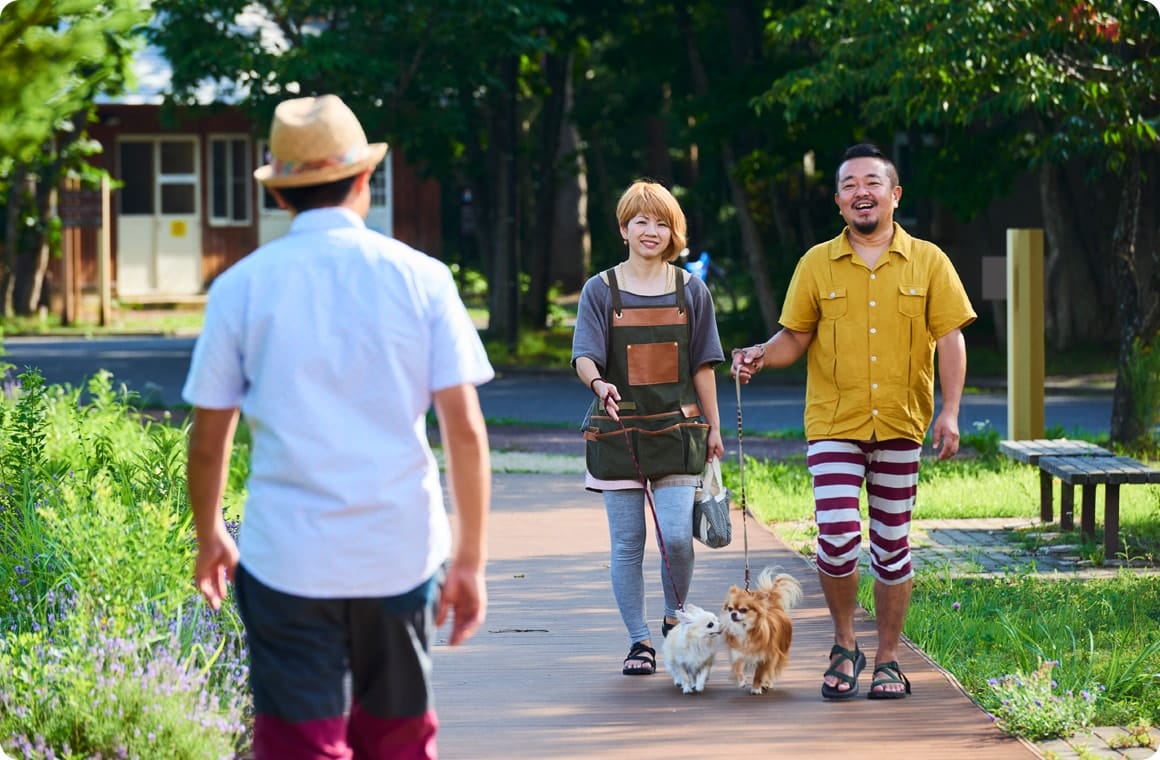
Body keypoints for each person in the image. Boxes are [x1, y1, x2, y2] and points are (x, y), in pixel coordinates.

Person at [184, 94, 494, 759]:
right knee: (398, 738)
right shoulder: (423, 279)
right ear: (364, 181)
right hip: (400, 551)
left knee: (299, 744)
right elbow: (463, 430)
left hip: (286, 554)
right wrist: (469, 559)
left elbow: (210, 433)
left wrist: (209, 530)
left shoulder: (240, 287)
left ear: (280, 196)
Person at [731, 143, 976, 700]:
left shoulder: (930, 261)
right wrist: (760, 355)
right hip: (833, 423)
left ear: (895, 194)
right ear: (839, 201)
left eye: (872, 182)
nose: (860, 192)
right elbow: (795, 337)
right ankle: (845, 643)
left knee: (892, 544)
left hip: (899, 423)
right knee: (838, 538)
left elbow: (950, 338)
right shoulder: (816, 263)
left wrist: (951, 411)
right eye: (849, 185)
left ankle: (888, 657)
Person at [572, 180, 725, 676]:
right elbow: (585, 356)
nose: (651, 230)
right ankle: (639, 642)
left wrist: (715, 429)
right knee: (628, 543)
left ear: (674, 231)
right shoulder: (601, 289)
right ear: (624, 228)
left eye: (662, 222)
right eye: (641, 221)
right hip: (618, 434)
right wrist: (599, 384)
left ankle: (673, 616)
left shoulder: (691, 290)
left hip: (680, 433)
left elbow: (704, 365)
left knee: (677, 538)